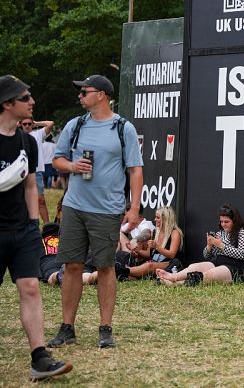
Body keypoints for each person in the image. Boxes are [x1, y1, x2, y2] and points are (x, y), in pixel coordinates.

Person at [49, 73, 143, 350]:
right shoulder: (75, 125)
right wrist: (72, 166)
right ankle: (67, 328)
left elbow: (135, 170)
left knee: (105, 267)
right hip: (74, 206)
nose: (80, 96)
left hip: (107, 209)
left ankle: (105, 329)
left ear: (101, 95)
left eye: (84, 91)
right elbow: (57, 160)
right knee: (72, 265)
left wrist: (134, 207)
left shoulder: (122, 128)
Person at [0, 75, 72, 379]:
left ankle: (39, 358)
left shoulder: (27, 142)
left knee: (30, 288)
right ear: (7, 103)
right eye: (25, 97)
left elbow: (31, 185)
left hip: (23, 231)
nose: (32, 102)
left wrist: (32, 223)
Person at [157, 204, 244, 286]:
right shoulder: (221, 233)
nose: (223, 224)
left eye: (226, 222)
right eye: (221, 221)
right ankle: (173, 277)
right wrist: (209, 246)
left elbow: (243, 254)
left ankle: (177, 283)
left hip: (237, 267)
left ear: (235, 221)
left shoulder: (243, 231)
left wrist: (222, 246)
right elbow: (207, 256)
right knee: (194, 266)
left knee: (209, 274)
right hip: (218, 261)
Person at [124, 206, 183, 279]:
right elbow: (148, 254)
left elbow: (172, 255)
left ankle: (122, 271)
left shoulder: (175, 232)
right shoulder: (155, 232)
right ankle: (123, 272)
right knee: (144, 266)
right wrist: (137, 250)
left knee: (149, 266)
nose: (155, 219)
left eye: (158, 217)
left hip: (169, 263)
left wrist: (157, 247)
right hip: (154, 262)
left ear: (165, 219)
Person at [20, 118, 52, 224]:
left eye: (29, 124)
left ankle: (47, 227)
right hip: (21, 172)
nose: (27, 126)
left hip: (36, 171)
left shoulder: (38, 134)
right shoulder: (16, 135)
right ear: (21, 125)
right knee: (22, 201)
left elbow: (50, 124)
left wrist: (36, 123)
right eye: (25, 124)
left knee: (40, 200)